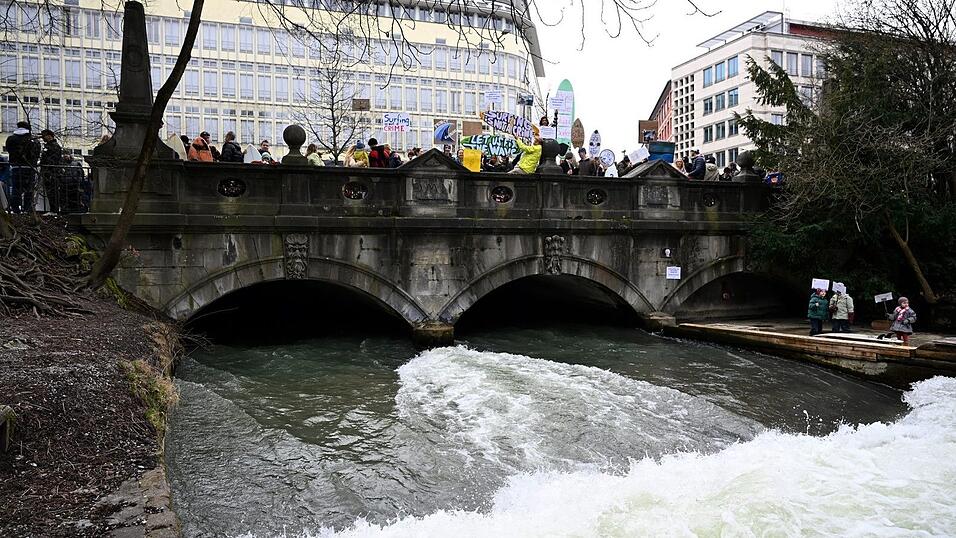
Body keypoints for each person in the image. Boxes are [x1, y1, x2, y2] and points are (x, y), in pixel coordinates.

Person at [4, 121, 40, 213]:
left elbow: (9, 149)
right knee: (29, 190)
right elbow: (36, 152)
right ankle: (27, 209)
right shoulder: (32, 139)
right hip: (30, 167)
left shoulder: (11, 138)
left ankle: (15, 209)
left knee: (16, 189)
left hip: (16, 167)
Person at [39, 129, 63, 213]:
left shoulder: (54, 146)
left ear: (49, 136)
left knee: (53, 192)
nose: (43, 138)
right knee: (50, 192)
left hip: (52, 173)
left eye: (44, 136)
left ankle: (54, 210)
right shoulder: (48, 146)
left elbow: (53, 160)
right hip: (48, 172)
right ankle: (53, 210)